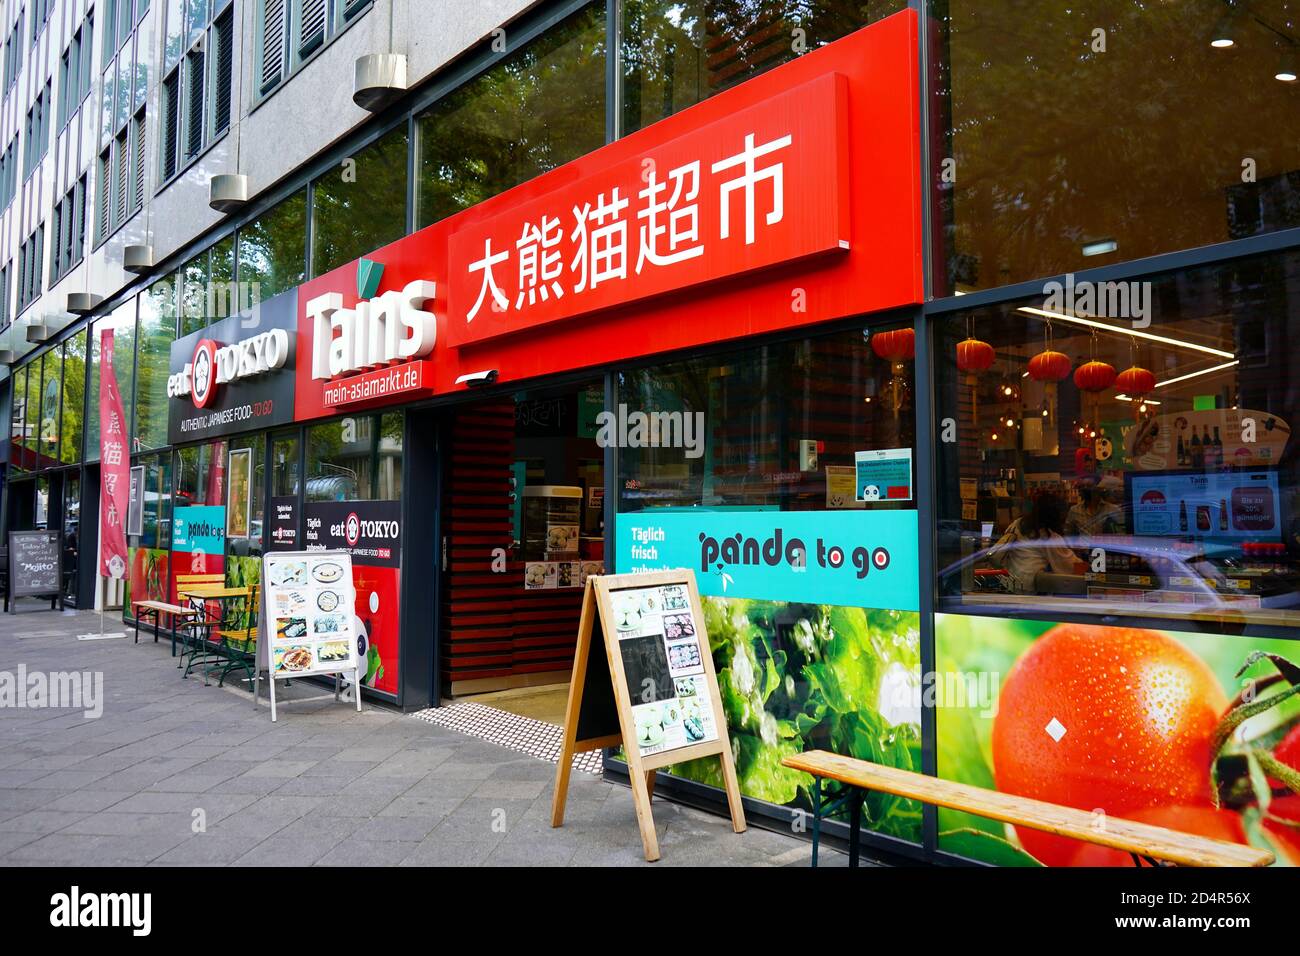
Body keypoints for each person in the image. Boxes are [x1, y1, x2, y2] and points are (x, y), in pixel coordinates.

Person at [987, 492, 1078, 593]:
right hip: (1030, 587)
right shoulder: (1049, 537)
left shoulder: (1017, 523)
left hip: (1010, 582)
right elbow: (1069, 563)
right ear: (1055, 516)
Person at [1065, 475, 1124, 539]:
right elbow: (1069, 533)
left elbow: (1121, 534)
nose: (1085, 489)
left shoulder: (1113, 510)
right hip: (1084, 548)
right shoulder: (1074, 510)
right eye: (1082, 486)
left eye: (1089, 486)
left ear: (1099, 488)